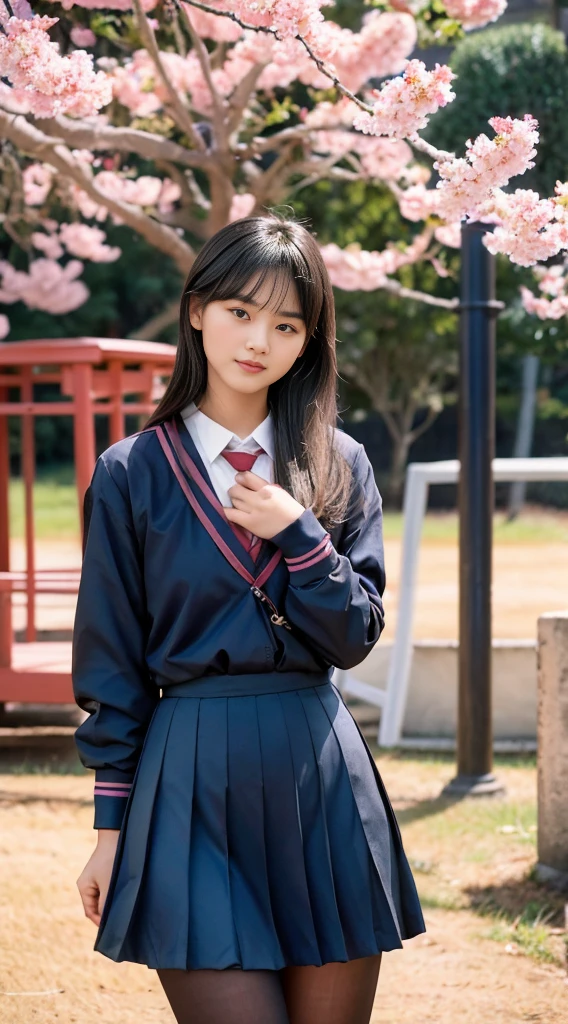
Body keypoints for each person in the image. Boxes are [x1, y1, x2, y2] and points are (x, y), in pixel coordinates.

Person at [72, 213, 426, 1024]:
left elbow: (356, 635)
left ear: (309, 340)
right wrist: (109, 828)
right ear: (197, 311)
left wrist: (299, 535)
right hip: (188, 779)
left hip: (320, 777)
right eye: (240, 311)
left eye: (286, 323)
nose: (258, 339)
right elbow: (112, 667)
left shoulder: (342, 466)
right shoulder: (131, 476)